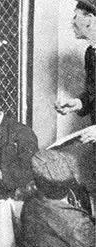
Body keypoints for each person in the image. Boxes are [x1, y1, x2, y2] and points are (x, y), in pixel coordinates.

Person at [55, 0, 96, 142]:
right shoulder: (91, 53)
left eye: (75, 16)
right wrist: (78, 103)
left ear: (89, 19)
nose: (72, 23)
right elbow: (93, 94)